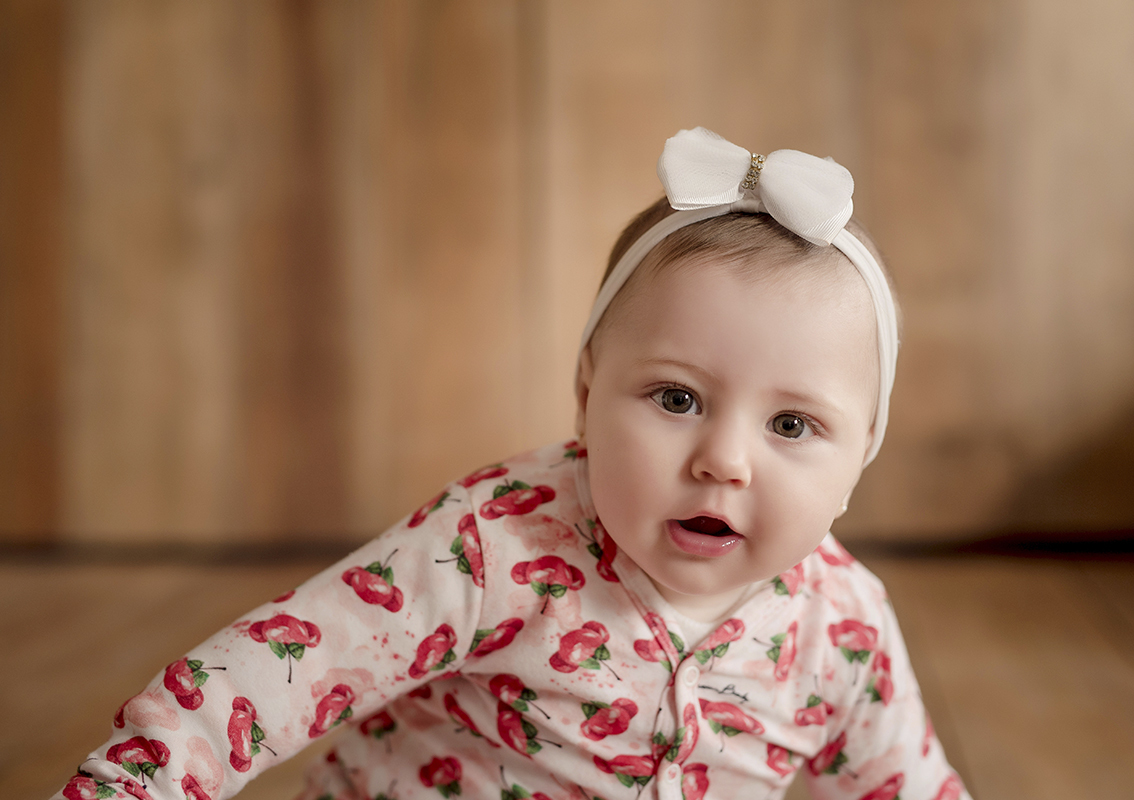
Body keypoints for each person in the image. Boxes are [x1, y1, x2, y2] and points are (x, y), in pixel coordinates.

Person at [54, 128, 969, 800]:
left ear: (861, 461)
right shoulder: (496, 544)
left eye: (795, 425)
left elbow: (910, 786)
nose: (723, 461)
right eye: (677, 399)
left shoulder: (844, 630)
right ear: (584, 393)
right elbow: (278, 668)